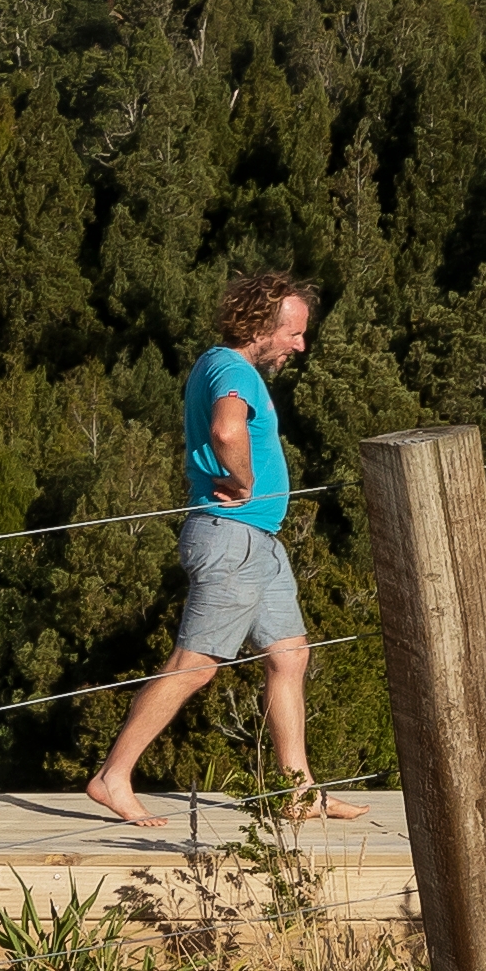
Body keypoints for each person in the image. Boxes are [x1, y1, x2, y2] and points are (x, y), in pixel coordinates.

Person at [80, 270, 350, 832]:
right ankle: (113, 776)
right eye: (294, 334)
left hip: (259, 542)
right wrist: (246, 481)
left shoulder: (227, 367)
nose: (300, 345)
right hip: (233, 537)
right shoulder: (232, 369)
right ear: (260, 324)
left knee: (289, 655)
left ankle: (295, 792)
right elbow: (228, 433)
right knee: (195, 664)